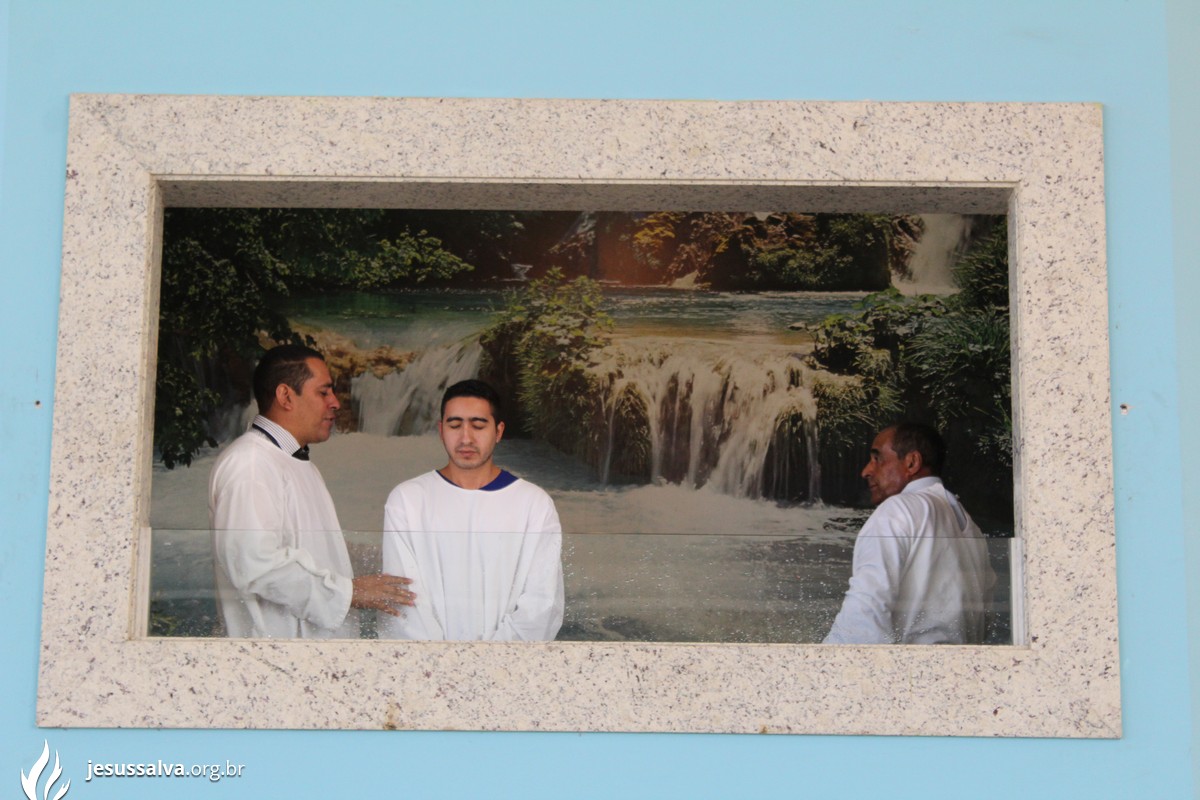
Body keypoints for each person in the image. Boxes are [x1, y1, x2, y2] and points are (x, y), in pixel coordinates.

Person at [210, 344, 415, 638]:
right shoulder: (250, 464)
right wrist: (350, 593)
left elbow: (302, 545)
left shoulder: (290, 461)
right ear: (285, 396)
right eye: (324, 392)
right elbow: (254, 564)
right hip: (272, 654)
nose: (335, 403)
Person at [379, 379, 564, 641]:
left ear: (498, 431)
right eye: (455, 425)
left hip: (509, 663)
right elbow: (402, 599)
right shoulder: (408, 499)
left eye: (478, 426)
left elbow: (541, 603)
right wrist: (436, 661)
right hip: (426, 663)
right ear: (441, 430)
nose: (466, 438)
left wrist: (491, 660)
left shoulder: (534, 503)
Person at [824, 422, 995, 644]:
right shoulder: (968, 525)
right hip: (960, 663)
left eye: (877, 458)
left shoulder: (898, 509)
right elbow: (986, 618)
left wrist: (821, 662)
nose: (866, 471)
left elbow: (864, 613)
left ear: (912, 462)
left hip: (909, 664)